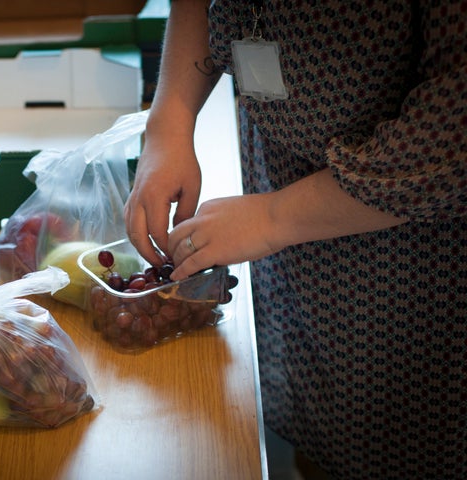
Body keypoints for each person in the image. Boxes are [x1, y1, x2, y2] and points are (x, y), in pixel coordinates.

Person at [124, 1, 467, 478]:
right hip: (286, 221)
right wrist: (168, 125)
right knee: (318, 426)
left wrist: (273, 218)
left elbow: (453, 133)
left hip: (417, 260)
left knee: (397, 445)